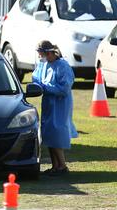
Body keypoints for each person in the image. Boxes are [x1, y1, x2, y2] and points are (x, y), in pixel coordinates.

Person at [32, 40, 78, 176]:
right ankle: (55, 166)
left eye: (42, 54)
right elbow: (37, 77)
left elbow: (64, 88)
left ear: (49, 53)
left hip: (60, 105)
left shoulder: (62, 66)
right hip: (48, 104)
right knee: (49, 134)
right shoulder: (44, 64)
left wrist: (45, 87)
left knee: (57, 133)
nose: (41, 57)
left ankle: (62, 166)